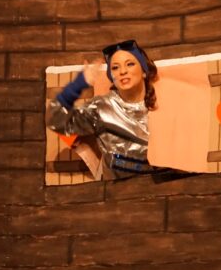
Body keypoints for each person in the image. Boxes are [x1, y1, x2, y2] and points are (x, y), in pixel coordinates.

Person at [46, 39, 158, 180]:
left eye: (130, 64)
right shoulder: (101, 107)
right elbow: (55, 120)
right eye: (115, 68)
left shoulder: (163, 105)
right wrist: (77, 85)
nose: (123, 71)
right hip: (117, 188)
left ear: (144, 71)